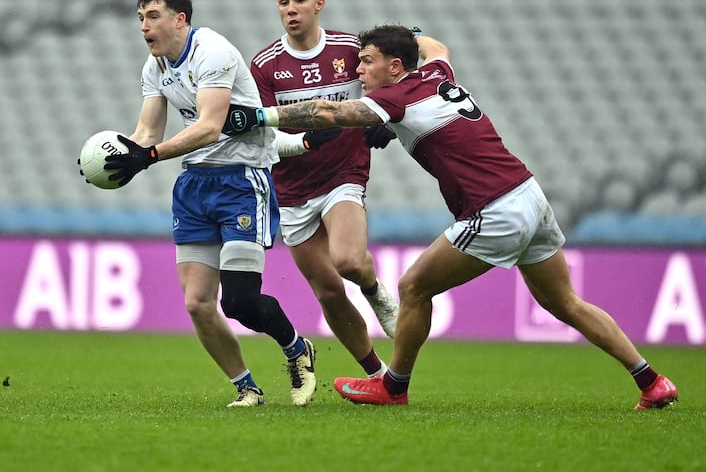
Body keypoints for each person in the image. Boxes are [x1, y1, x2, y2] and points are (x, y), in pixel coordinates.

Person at [221, 25, 679, 410]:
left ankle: (392, 387)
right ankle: (651, 381)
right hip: (529, 194)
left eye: (367, 62)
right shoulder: (438, 72)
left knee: (413, 287)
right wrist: (409, 35)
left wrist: (258, 117)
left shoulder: (395, 98)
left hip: (495, 208)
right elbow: (435, 46)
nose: (358, 70)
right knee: (565, 303)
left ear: (395, 67)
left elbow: (327, 111)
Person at [92, 0, 317, 408]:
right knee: (197, 303)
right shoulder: (155, 65)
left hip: (241, 182)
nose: (144, 25)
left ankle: (297, 349)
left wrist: (151, 155)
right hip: (194, 186)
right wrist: (120, 158)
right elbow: (146, 133)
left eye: (153, 16)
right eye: (140, 17)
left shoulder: (212, 52)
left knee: (239, 302)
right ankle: (247, 387)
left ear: (180, 20)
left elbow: (210, 127)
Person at [248, 0, 399, 379]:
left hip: (344, 173)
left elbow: (391, 73)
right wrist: (304, 143)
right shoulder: (264, 65)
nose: (291, 9)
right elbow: (265, 133)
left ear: (319, 3)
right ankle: (376, 375)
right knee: (329, 291)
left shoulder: (350, 49)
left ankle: (375, 292)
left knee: (348, 261)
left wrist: (384, 117)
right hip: (293, 187)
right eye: (283, 2)